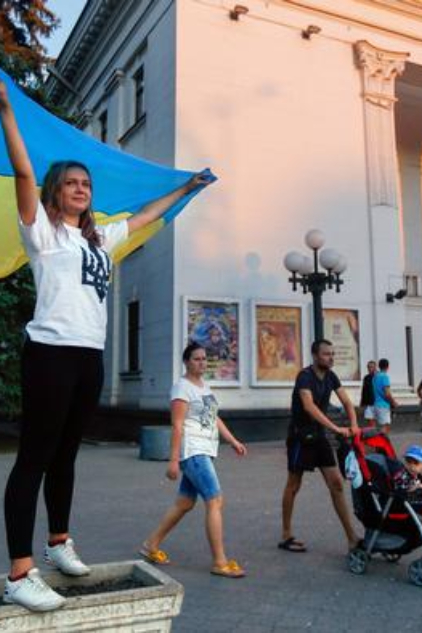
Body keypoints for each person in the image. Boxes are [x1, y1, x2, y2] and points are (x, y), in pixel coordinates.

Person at [0, 80, 213, 612]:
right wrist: (8, 113)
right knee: (34, 457)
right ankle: (19, 572)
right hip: (49, 353)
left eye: (86, 183)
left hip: (88, 359)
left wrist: (185, 188)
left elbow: (144, 218)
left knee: (66, 457)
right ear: (55, 192)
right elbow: (24, 171)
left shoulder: (100, 239)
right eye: (71, 182)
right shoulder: (43, 232)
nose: (80, 188)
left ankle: (58, 544)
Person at [139, 343, 248, 578]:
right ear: (187, 362)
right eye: (197, 359)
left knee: (185, 503)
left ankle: (150, 545)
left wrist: (233, 440)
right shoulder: (182, 388)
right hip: (193, 451)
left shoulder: (203, 387)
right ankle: (219, 562)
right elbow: (177, 424)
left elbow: (214, 418)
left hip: (205, 449)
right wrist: (174, 460)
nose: (202, 362)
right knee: (215, 500)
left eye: (204, 359)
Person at [278, 339, 360, 554]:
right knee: (293, 485)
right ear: (315, 356)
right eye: (326, 354)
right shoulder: (304, 376)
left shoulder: (331, 377)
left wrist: (353, 424)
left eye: (332, 354)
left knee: (337, 484)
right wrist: (335, 427)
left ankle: (352, 538)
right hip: (300, 437)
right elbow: (309, 406)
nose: (330, 358)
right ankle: (286, 535)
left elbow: (347, 402)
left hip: (319, 436)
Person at [371, 358, 401, 432]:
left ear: (379, 366)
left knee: (378, 427)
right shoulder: (384, 377)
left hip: (375, 404)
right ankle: (382, 443)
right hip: (383, 405)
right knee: (385, 427)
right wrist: (393, 402)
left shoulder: (375, 377)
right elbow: (387, 393)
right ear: (388, 367)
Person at [360, 360, 377, 426]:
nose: (369, 369)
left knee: (377, 420)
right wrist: (362, 402)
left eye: (371, 367)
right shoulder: (366, 378)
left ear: (375, 367)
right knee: (369, 419)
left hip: (377, 402)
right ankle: (372, 433)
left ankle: (378, 434)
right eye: (368, 367)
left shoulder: (379, 377)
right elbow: (364, 390)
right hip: (368, 403)